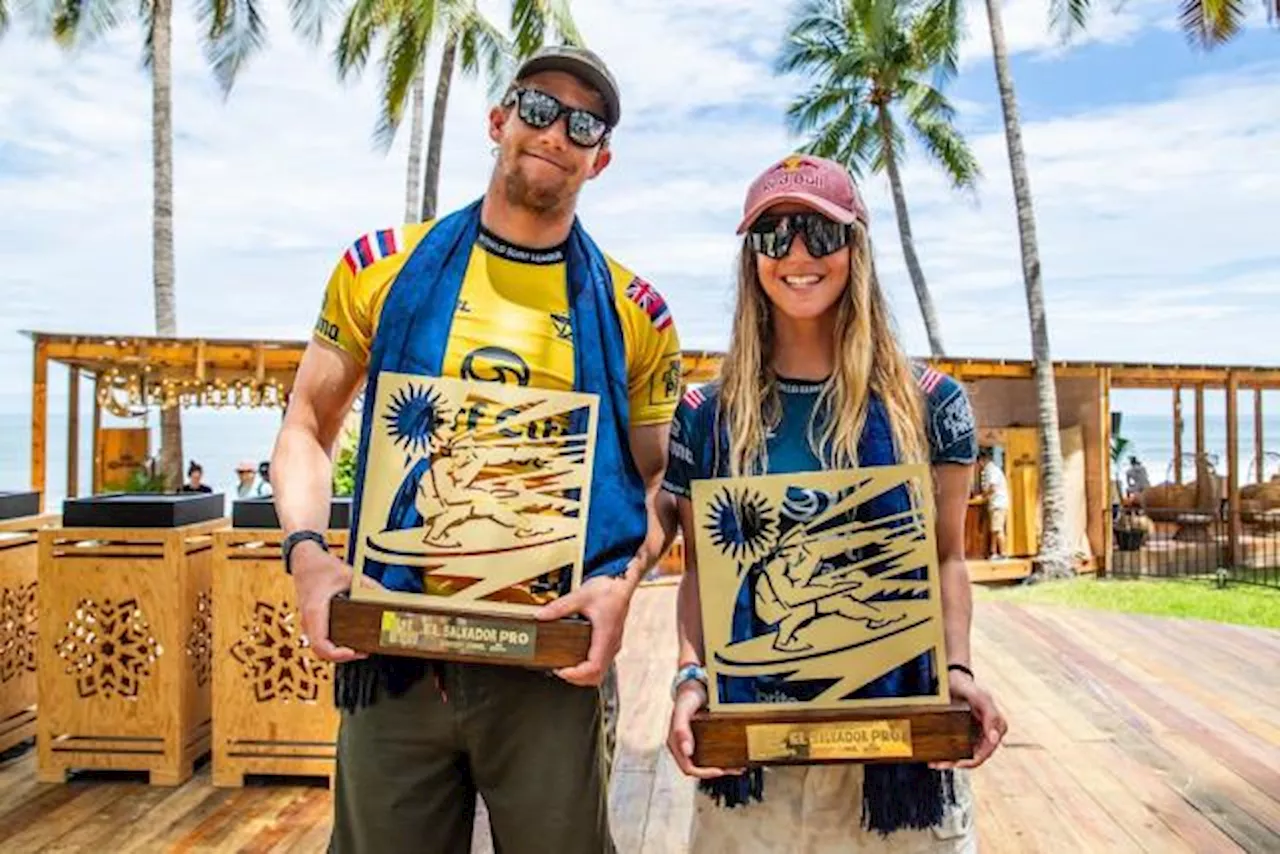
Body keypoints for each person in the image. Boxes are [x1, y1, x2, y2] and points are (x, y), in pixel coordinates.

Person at [270, 45, 681, 854]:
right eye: (537, 108)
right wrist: (309, 555)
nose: (556, 131)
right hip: (394, 651)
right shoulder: (379, 267)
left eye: (583, 123)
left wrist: (624, 582)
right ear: (498, 121)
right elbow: (305, 430)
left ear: (600, 159)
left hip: (550, 663)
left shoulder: (639, 312)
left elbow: (659, 479)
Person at [663, 154, 1007, 853]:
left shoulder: (931, 403)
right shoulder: (706, 412)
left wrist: (960, 671)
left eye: (821, 233)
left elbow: (945, 557)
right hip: (755, 742)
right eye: (772, 234)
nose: (796, 254)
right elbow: (703, 571)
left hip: (895, 737)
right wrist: (691, 677)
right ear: (750, 256)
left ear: (857, 248)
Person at [978, 446, 1010, 559]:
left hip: (998, 504)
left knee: (998, 529)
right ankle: (994, 553)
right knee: (994, 530)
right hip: (995, 504)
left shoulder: (992, 470)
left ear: (983, 460)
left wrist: (983, 496)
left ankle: (1003, 553)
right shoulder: (988, 470)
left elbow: (993, 487)